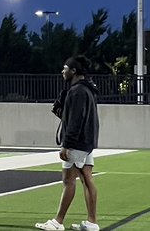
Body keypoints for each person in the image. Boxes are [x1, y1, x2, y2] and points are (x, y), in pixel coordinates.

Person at [35, 55, 100, 231]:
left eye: (65, 68)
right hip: (86, 141)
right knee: (87, 180)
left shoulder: (77, 91)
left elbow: (76, 120)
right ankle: (91, 222)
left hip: (77, 143)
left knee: (68, 180)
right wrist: (62, 111)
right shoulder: (87, 89)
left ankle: (58, 222)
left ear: (74, 71)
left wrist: (67, 144)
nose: (62, 71)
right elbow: (76, 117)